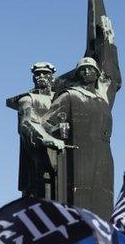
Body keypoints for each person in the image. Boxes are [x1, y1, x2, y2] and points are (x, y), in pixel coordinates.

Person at [44, 57, 119, 219]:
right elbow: (47, 123)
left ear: (97, 74)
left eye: (90, 69)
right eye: (82, 70)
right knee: (80, 201)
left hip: (103, 157)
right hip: (79, 157)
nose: (86, 72)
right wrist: (58, 129)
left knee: (103, 203)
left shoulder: (102, 101)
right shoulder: (70, 95)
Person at [16, 62, 65, 199]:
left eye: (45, 73)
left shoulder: (61, 98)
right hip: (37, 152)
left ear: (52, 78)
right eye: (38, 74)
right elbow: (26, 124)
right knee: (41, 191)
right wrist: (45, 138)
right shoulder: (27, 99)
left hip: (61, 153)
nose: (41, 76)